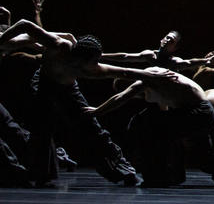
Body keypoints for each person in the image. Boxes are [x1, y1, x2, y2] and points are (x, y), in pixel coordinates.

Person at [0, 19, 173, 186]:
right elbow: (24, 24)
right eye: (94, 61)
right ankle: (40, 173)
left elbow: (125, 72)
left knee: (91, 128)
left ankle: (123, 170)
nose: (96, 64)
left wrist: (152, 75)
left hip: (68, 89)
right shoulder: (60, 46)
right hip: (43, 83)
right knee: (41, 129)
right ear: (81, 58)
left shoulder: (90, 70)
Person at [84, 68, 214, 186]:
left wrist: (96, 111)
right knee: (153, 129)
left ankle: (157, 176)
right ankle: (171, 174)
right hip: (202, 113)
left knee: (147, 129)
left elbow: (121, 97)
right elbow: (164, 111)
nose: (135, 96)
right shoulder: (156, 84)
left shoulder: (145, 79)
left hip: (198, 113)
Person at [101, 30, 214, 74]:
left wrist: (206, 61)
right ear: (161, 39)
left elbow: (189, 63)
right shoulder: (150, 55)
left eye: (171, 41)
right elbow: (125, 57)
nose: (167, 40)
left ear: (175, 49)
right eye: (166, 37)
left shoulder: (173, 61)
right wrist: (102, 55)